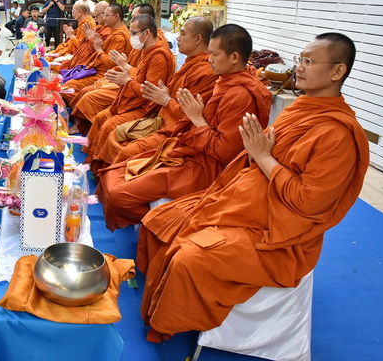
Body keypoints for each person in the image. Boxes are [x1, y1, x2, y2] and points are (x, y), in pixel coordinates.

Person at [137, 32, 369, 343]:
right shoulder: (301, 109)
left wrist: (261, 156)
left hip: (280, 233)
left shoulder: (338, 135)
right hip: (248, 199)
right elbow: (254, 155)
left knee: (188, 255)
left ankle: (170, 317)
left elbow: (306, 201)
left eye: (308, 61)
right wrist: (256, 155)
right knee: (161, 220)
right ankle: (162, 296)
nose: (298, 67)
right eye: (300, 59)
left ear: (337, 71)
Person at [97, 23, 273, 230]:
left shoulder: (240, 95)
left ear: (234, 57)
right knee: (115, 172)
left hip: (206, 167)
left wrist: (196, 119)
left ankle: (162, 221)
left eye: (214, 54)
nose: (209, 59)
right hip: (188, 146)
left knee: (119, 193)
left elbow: (224, 151)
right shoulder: (224, 81)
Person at [103, 17, 219, 163]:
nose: (178, 38)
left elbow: (188, 113)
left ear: (198, 39)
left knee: (121, 143)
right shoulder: (190, 62)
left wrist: (165, 99)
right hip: (163, 117)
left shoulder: (204, 71)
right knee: (112, 130)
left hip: (175, 129)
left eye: (182, 34)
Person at [82, 14, 178, 173]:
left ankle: (100, 168)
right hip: (131, 98)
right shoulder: (144, 50)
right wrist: (119, 71)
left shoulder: (159, 56)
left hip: (146, 108)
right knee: (102, 116)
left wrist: (126, 80)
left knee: (109, 124)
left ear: (146, 33)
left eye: (134, 33)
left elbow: (150, 92)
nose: (131, 36)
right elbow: (135, 71)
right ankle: (91, 159)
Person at [68, 3, 161, 132]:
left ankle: (83, 126)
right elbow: (123, 64)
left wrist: (98, 49)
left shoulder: (154, 51)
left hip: (134, 93)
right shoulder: (138, 43)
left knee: (87, 96)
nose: (102, 18)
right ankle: (81, 124)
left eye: (105, 15)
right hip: (120, 80)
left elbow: (146, 83)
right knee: (83, 91)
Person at [60, 3, 131, 99]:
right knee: (66, 80)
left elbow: (110, 63)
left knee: (71, 88)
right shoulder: (109, 30)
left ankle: (77, 108)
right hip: (94, 67)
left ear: (116, 16)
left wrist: (96, 45)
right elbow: (84, 46)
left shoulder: (119, 36)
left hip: (105, 73)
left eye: (106, 15)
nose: (104, 18)